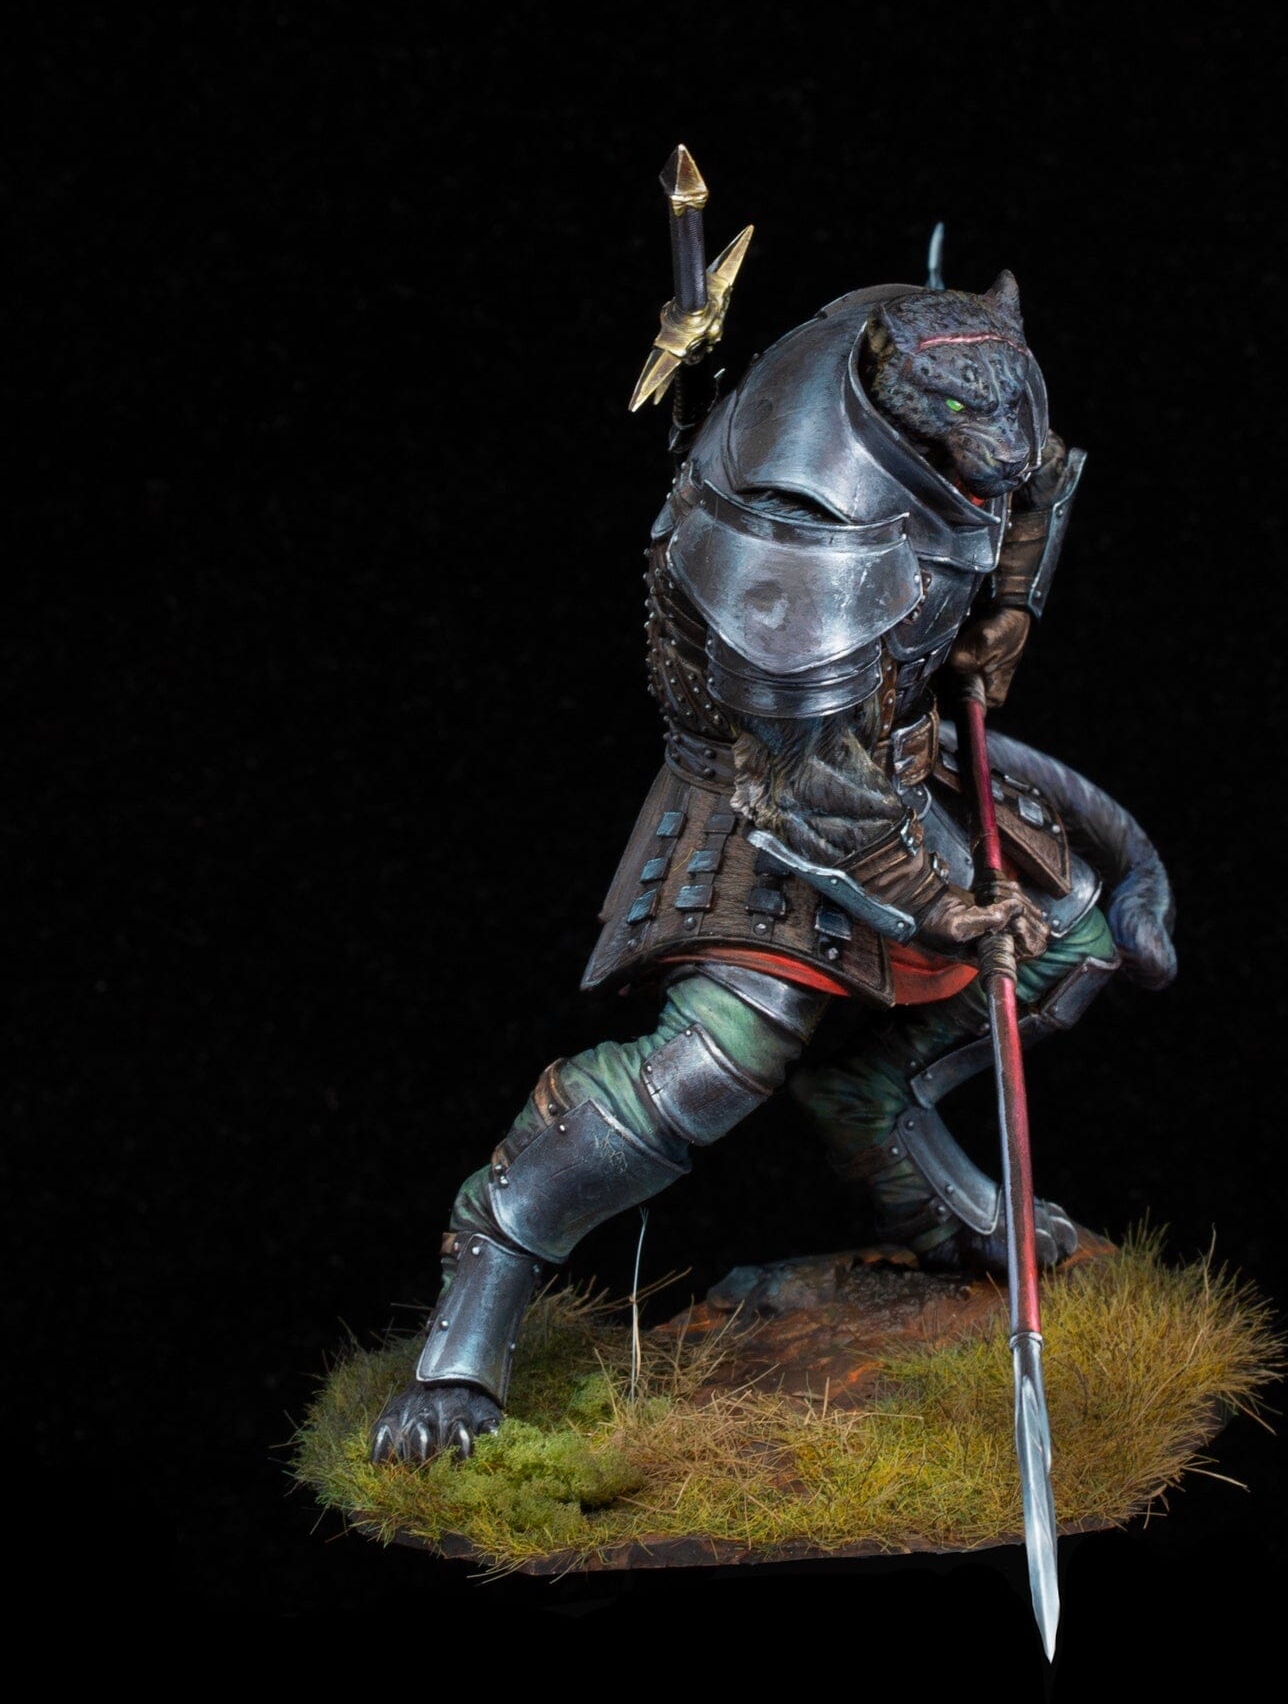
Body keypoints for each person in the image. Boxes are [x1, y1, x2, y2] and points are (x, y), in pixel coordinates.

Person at [369, 270, 1176, 1465]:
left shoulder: (957, 399)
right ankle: (471, 1320)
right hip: (762, 800)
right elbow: (806, 785)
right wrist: (942, 908)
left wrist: (1008, 606)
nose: (996, 449)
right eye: (967, 420)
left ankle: (882, 1124)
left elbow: (1031, 478)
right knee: (707, 1069)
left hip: (899, 759)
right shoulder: (788, 515)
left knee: (1073, 941)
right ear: (887, 392)